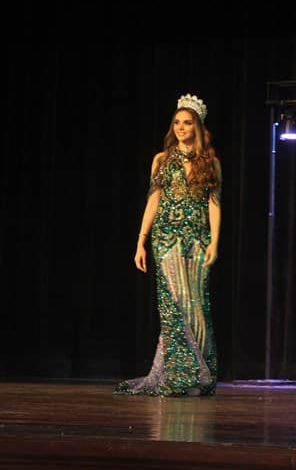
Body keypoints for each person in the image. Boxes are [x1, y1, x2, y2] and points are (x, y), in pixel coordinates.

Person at [114, 93, 222, 397]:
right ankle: (178, 374)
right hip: (167, 239)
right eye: (177, 122)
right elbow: (153, 201)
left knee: (197, 306)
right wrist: (140, 241)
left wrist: (214, 240)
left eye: (187, 123)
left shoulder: (210, 162)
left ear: (198, 126)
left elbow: (214, 203)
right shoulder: (161, 160)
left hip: (198, 240)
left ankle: (201, 373)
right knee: (175, 305)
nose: (181, 128)